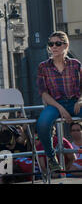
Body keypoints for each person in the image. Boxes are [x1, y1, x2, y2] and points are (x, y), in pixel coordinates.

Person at [36, 31, 82, 172]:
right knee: (42, 123)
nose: (53, 47)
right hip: (55, 104)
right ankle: (52, 158)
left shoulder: (75, 64)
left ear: (66, 45)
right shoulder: (43, 66)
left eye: (57, 43)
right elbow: (43, 93)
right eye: (51, 44)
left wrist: (80, 101)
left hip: (75, 101)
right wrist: (60, 108)